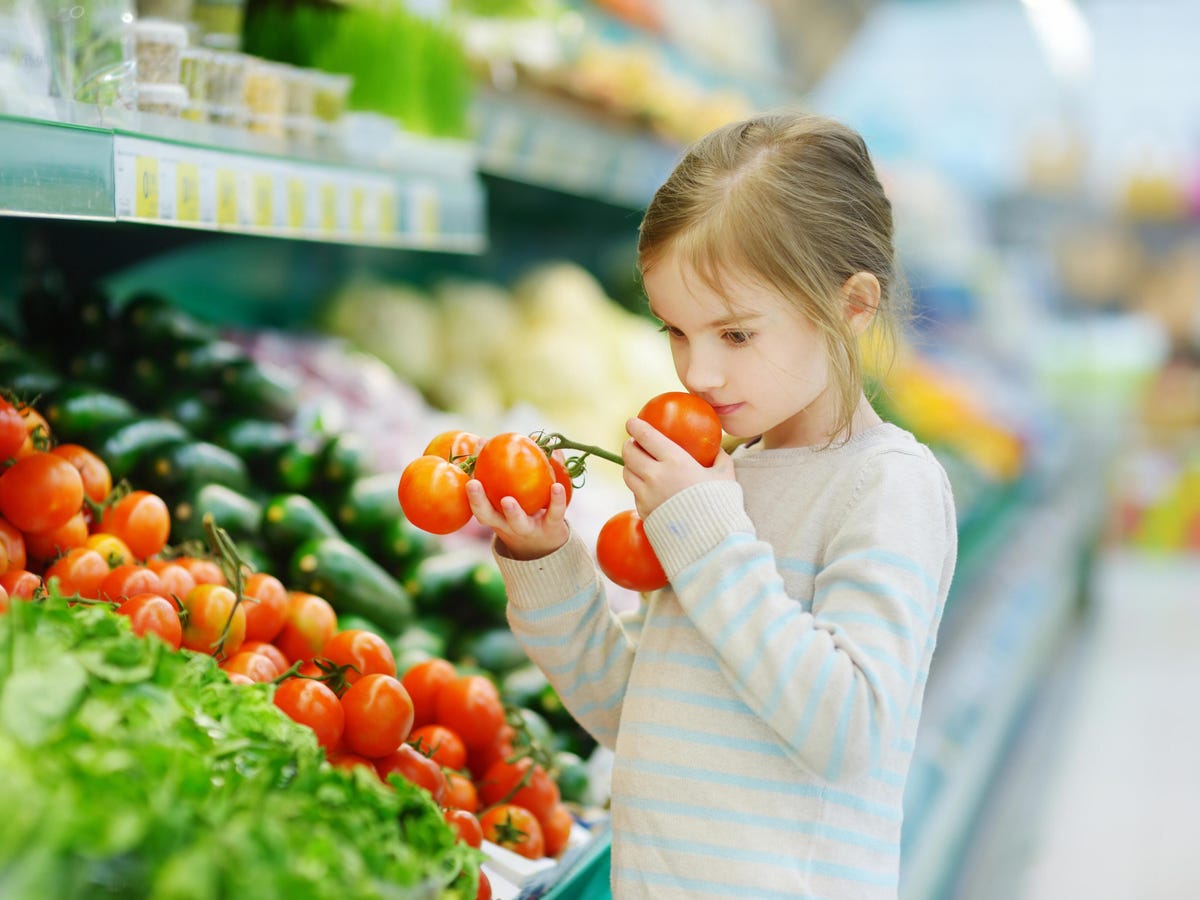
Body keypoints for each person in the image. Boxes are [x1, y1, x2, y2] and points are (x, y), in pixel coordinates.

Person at [465, 111, 958, 899]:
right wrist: (546, 561)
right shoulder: (723, 479)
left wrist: (709, 534)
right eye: (676, 332)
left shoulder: (887, 485)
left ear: (852, 306)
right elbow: (643, 716)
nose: (698, 373)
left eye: (735, 335)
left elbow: (850, 728)